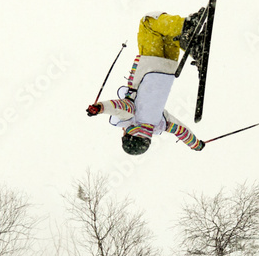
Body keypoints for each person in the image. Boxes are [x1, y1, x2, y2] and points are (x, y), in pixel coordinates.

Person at [86, 9, 207, 155]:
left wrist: (195, 144)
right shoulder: (132, 117)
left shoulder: (160, 123)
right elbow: (120, 107)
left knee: (170, 37)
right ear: (129, 136)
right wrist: (100, 108)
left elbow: (180, 130)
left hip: (169, 69)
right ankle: (187, 26)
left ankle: (194, 46)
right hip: (150, 66)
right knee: (148, 23)